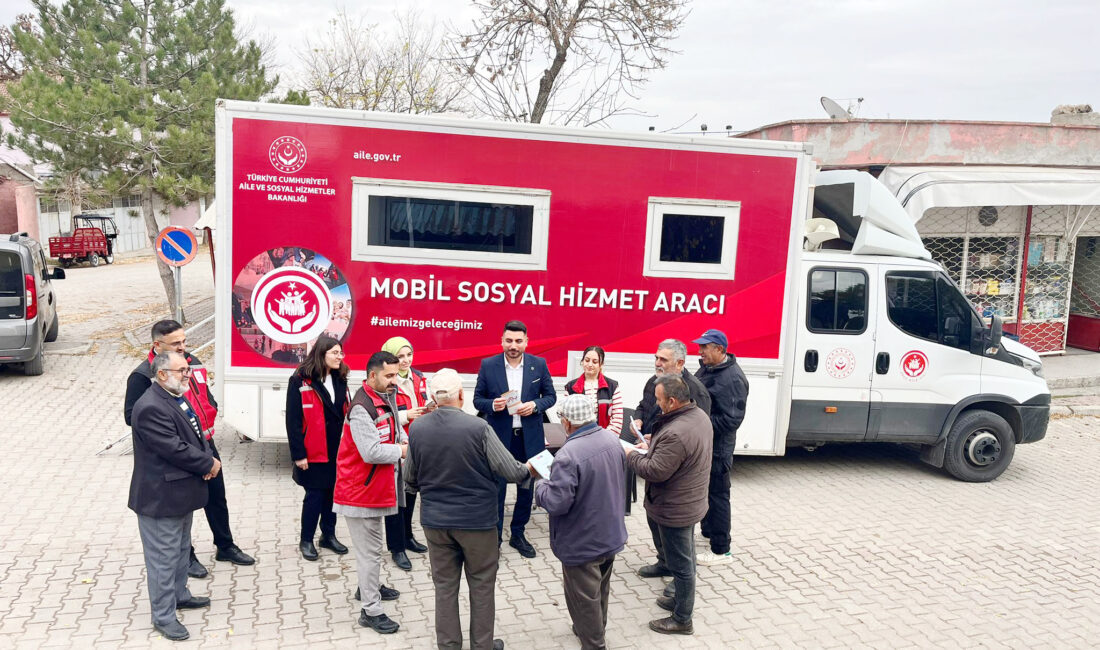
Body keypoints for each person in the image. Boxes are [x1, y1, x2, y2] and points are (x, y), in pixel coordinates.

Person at [406, 369, 532, 650]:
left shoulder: (417, 428)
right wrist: (530, 470)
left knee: (445, 587)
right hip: (478, 523)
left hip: (436, 523)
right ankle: (482, 646)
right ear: (461, 396)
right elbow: (510, 470)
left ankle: (449, 646)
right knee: (482, 585)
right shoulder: (479, 428)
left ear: (431, 398)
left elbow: (409, 479)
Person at [123, 320, 254, 579]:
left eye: (184, 341)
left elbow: (204, 393)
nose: (183, 347)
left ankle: (225, 545)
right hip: (178, 451)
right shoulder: (142, 376)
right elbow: (132, 415)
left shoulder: (192, 362)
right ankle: (188, 556)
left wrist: (211, 407)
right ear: (157, 345)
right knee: (183, 505)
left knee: (217, 497)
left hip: (205, 442)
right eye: (176, 343)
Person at [128, 352, 220, 641]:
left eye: (187, 370)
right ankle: (163, 616)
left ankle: (180, 594)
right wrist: (208, 464)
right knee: (162, 559)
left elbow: (196, 435)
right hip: (160, 499)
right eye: (181, 371)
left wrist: (206, 457)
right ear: (162, 374)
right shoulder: (150, 407)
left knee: (180, 550)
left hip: (180, 492)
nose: (187, 375)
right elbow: (174, 447)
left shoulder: (175, 396)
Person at [532, 394, 627, 650]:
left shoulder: (567, 455)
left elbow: (557, 502)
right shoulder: (611, 439)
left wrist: (541, 485)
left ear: (567, 423)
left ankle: (594, 643)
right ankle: (594, 628)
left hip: (582, 541)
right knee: (600, 589)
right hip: (610, 533)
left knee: (584, 597)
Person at [624, 375, 712, 636]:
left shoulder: (676, 432)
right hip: (689, 501)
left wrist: (630, 455)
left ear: (672, 401)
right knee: (685, 557)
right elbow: (677, 451)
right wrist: (655, 442)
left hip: (675, 507)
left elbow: (655, 471)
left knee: (683, 566)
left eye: (660, 400)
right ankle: (678, 602)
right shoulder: (696, 416)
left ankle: (682, 619)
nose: (657, 405)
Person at [333, 351, 409, 635]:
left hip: (374, 489)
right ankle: (370, 610)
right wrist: (403, 451)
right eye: (388, 376)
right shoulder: (361, 408)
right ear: (372, 376)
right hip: (360, 493)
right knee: (370, 554)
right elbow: (371, 452)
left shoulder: (382, 398)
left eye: (396, 375)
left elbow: (393, 431)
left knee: (372, 551)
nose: (394, 380)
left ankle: (369, 586)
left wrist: (405, 439)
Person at [472, 320, 557, 558]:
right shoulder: (488, 365)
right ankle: (495, 539)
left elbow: (551, 396)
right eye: (509, 340)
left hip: (529, 438)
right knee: (496, 489)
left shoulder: (538, 365)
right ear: (502, 341)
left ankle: (518, 534)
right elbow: (477, 400)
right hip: (499, 439)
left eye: (518, 341)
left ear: (526, 342)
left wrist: (535, 405)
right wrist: (493, 405)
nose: (513, 345)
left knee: (526, 488)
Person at [285, 336, 350, 561]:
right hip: (313, 450)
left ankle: (328, 535)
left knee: (332, 494)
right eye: (335, 353)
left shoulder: (341, 378)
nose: (339, 357)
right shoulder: (300, 381)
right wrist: (298, 454)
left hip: (336, 449)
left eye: (341, 353)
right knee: (314, 495)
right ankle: (306, 540)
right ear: (321, 354)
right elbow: (292, 421)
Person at [692, 329, 749, 566]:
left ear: (719, 350)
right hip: (706, 445)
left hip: (718, 450)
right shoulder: (708, 368)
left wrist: (698, 422)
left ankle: (721, 549)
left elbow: (731, 420)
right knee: (707, 492)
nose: (700, 351)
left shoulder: (732, 379)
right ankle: (708, 531)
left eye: (705, 347)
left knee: (718, 495)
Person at [380, 336, 431, 571]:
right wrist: (406, 415)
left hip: (418, 444)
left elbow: (426, 400)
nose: (406, 360)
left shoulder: (419, 377)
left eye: (409, 355)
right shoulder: (386, 382)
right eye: (400, 356)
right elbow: (383, 416)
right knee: (395, 499)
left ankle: (408, 536)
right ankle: (397, 548)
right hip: (396, 447)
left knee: (410, 493)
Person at [632, 339, 712, 442]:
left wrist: (658, 440)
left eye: (663, 360)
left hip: (670, 452)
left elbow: (697, 432)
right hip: (645, 446)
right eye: (656, 358)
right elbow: (643, 406)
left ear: (679, 363)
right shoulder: (653, 381)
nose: (657, 363)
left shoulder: (695, 391)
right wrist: (637, 420)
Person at [564, 346, 624, 436]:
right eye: (587, 360)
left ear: (601, 364)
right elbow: (565, 418)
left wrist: (602, 439)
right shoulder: (570, 387)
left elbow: (617, 419)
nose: (590, 365)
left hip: (605, 440)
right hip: (578, 440)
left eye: (595, 362)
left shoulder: (613, 386)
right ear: (582, 361)